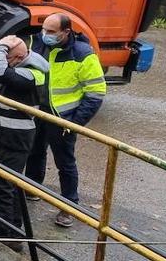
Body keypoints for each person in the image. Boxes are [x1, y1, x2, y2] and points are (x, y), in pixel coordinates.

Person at [26, 13, 106, 227]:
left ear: (66, 32)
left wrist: (75, 123)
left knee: (65, 163)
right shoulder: (36, 43)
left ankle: (69, 206)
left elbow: (96, 92)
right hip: (38, 110)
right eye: (44, 30)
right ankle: (32, 188)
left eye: (51, 32)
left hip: (64, 118)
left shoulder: (83, 54)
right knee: (34, 151)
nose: (45, 35)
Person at [0, 35, 49, 250]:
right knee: (7, 185)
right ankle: (12, 231)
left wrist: (1, 46)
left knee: (2, 187)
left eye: (6, 56)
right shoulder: (18, 67)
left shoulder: (33, 73)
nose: (2, 60)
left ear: (17, 57)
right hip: (0, 136)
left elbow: (0, 72)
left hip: (13, 139)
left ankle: (6, 234)